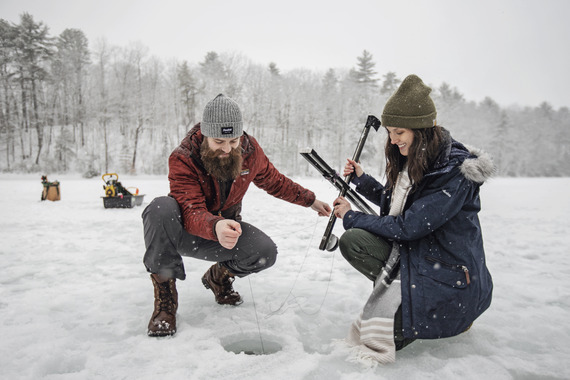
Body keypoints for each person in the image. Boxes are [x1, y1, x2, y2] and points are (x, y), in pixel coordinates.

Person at [332, 74, 494, 363]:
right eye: (390, 133)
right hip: (421, 256)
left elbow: (409, 225)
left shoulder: (453, 172)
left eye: (399, 133)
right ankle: (402, 295)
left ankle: (446, 313)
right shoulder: (420, 160)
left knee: (381, 336)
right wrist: (362, 179)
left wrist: (351, 216)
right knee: (355, 242)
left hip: (450, 277)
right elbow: (400, 206)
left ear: (421, 130)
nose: (393, 141)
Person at [142, 93, 331, 337]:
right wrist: (215, 226)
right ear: (206, 135)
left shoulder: (249, 151)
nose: (227, 149)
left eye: (233, 141)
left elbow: (274, 181)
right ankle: (165, 302)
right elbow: (190, 209)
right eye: (219, 141)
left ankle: (217, 278)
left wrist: (310, 200)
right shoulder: (183, 157)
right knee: (160, 208)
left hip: (225, 232)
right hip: (185, 233)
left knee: (264, 252)